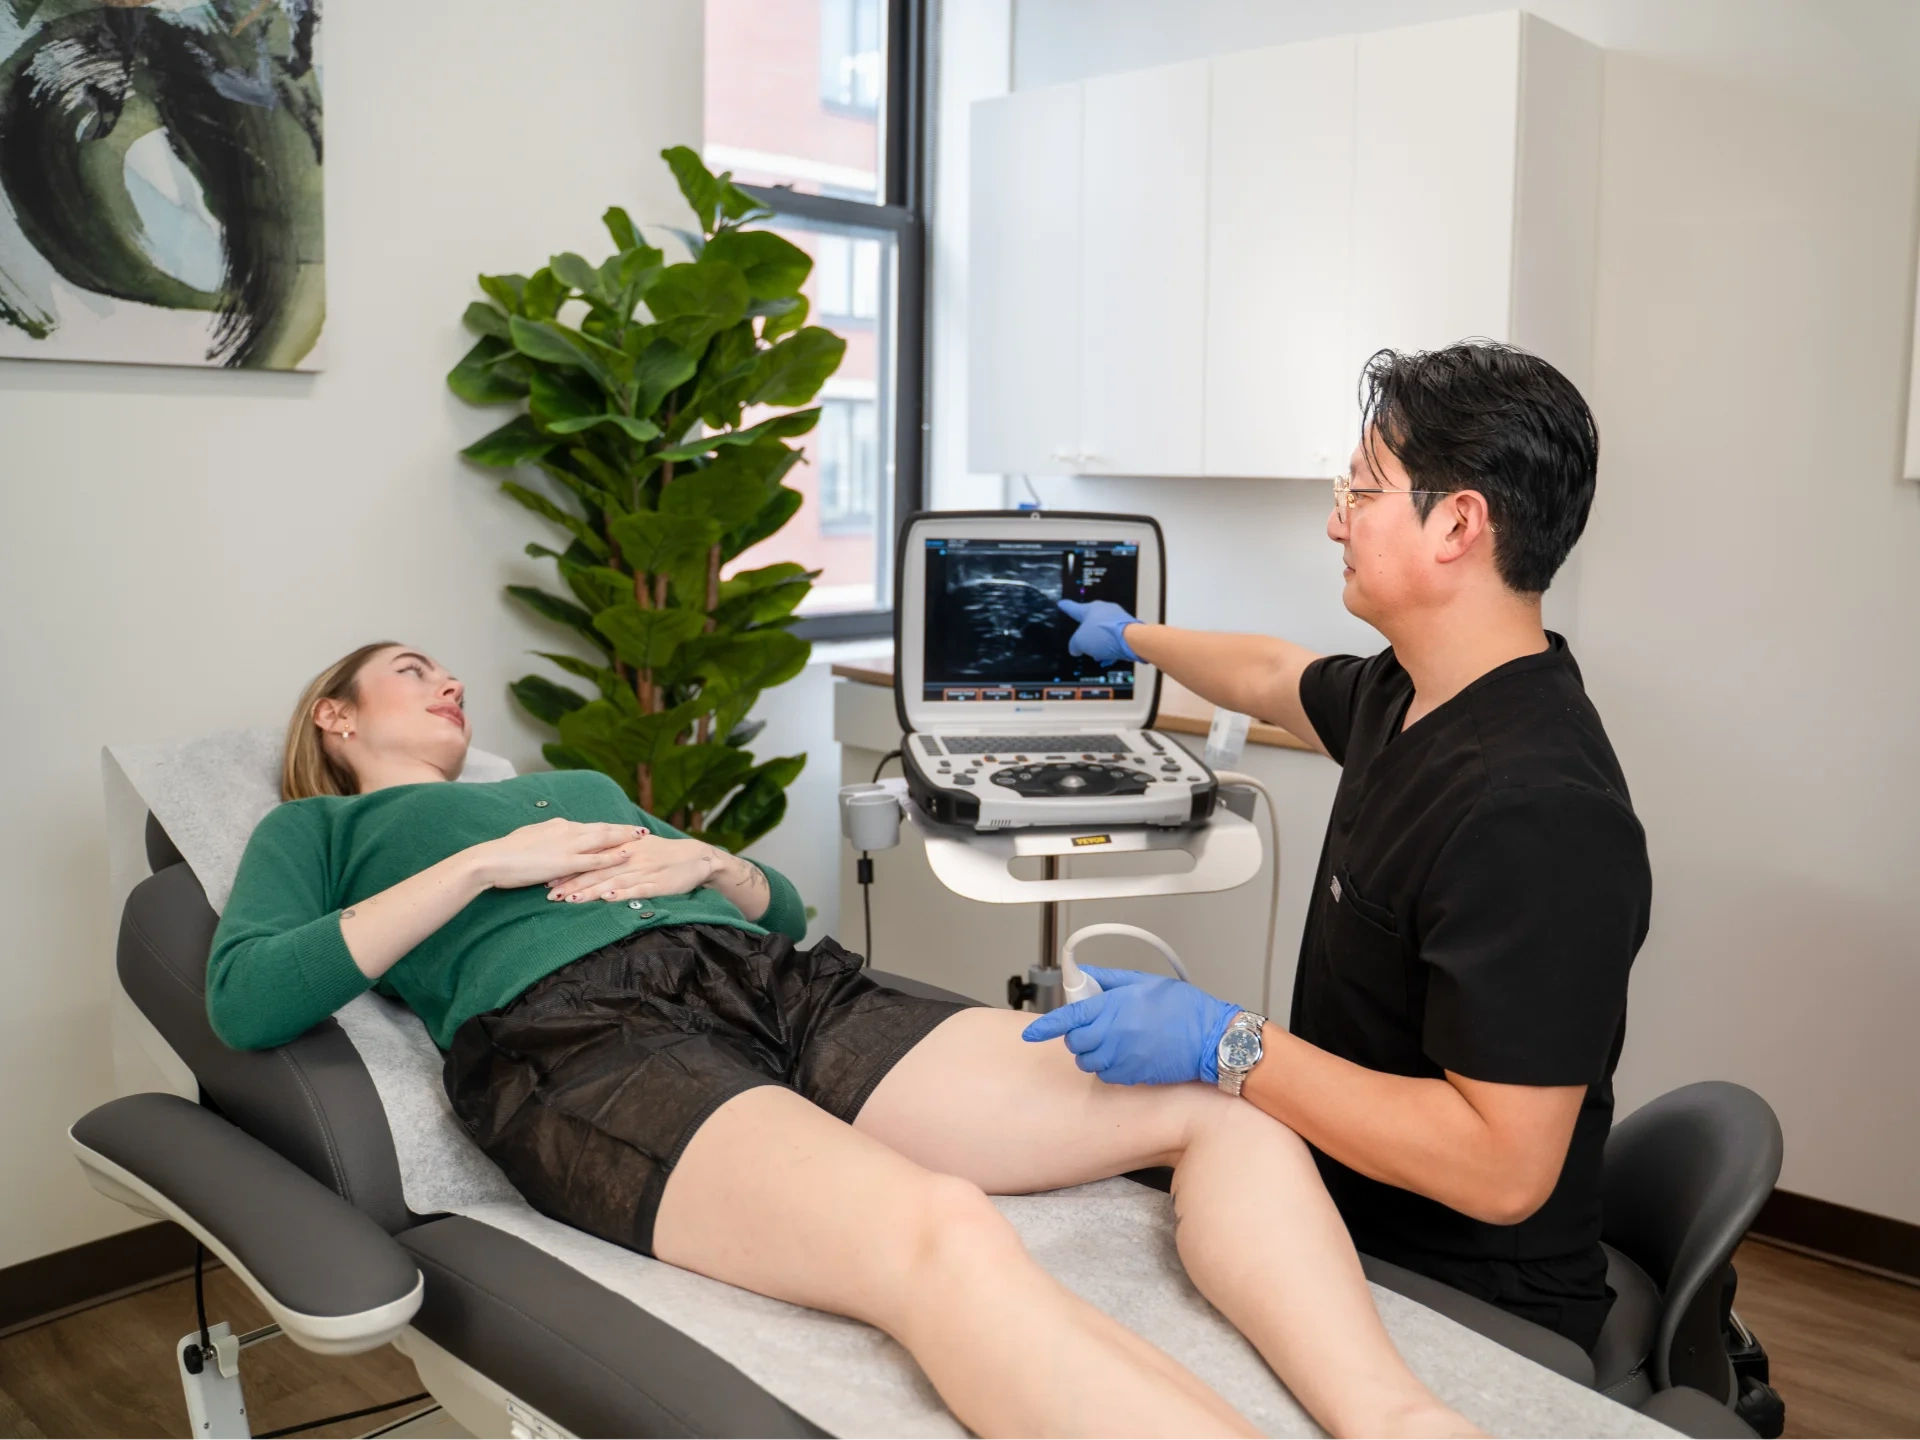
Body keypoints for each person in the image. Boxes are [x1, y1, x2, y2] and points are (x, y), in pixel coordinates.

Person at [207, 641, 1488, 1440]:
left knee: (1211, 1096)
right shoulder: (320, 839)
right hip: (579, 1040)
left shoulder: (576, 786)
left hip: (778, 982)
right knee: (942, 1232)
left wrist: (716, 861)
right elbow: (249, 997)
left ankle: (1400, 1418)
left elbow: (791, 906)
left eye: (448, 672)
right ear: (336, 716)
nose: (449, 682)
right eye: (410, 671)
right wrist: (492, 861)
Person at [1038, 342, 1651, 1354]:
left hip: (1464, 1303)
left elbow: (1503, 1170)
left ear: (1459, 522)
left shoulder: (1537, 811)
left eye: (1361, 491)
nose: (1335, 520)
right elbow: (1272, 674)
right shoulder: (1407, 691)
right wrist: (1133, 636)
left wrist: (1225, 1043)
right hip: (1344, 1205)